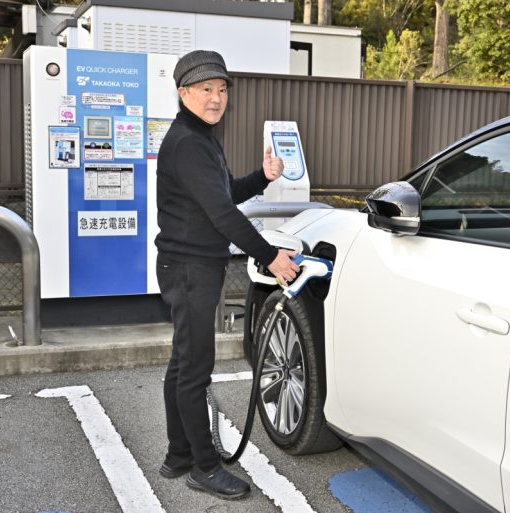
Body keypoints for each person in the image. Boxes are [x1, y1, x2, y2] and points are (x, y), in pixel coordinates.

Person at [154, 49, 299, 500]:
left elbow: (225, 192)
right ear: (183, 93)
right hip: (189, 270)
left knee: (183, 364)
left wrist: (263, 176)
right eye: (205, 89)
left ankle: (179, 454)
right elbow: (222, 213)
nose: (216, 98)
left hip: (189, 266)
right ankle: (204, 467)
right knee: (194, 370)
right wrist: (270, 256)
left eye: (221, 89)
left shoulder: (200, 136)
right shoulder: (188, 142)